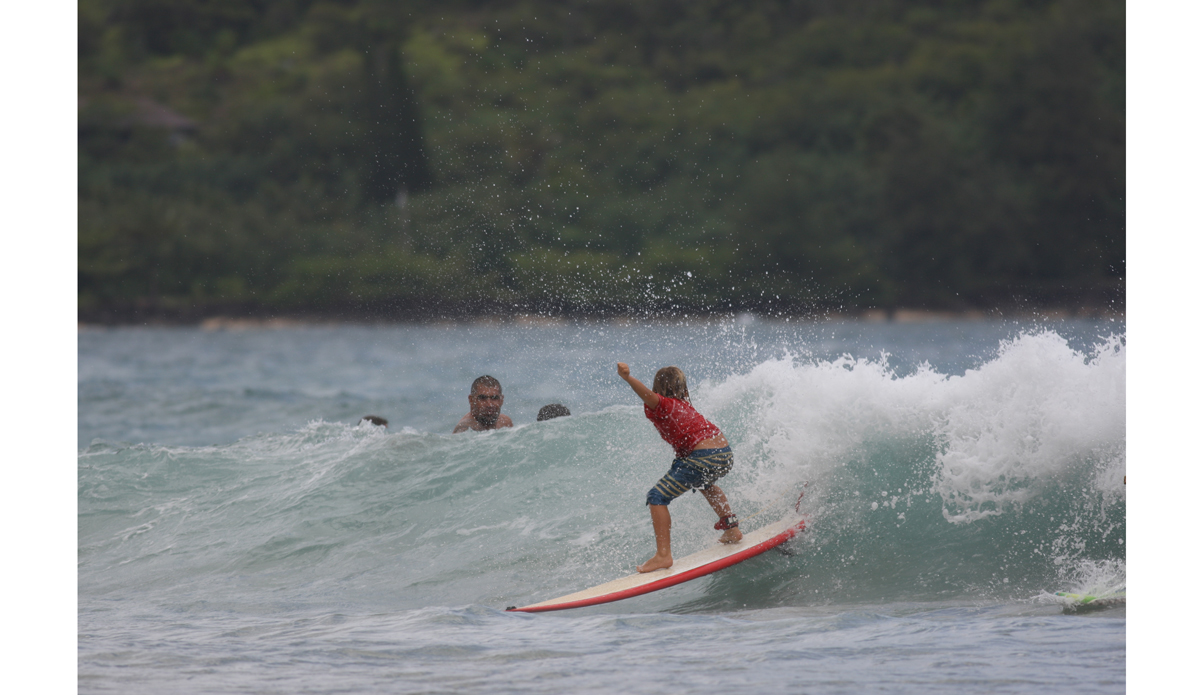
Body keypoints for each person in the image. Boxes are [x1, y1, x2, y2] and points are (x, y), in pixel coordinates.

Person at [617, 362, 741, 573]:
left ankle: (663, 555)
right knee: (705, 484)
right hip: (724, 452)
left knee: (657, 497)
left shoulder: (663, 404)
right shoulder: (685, 405)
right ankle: (732, 529)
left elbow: (646, 394)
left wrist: (627, 378)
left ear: (658, 387)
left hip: (702, 456)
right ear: (683, 389)